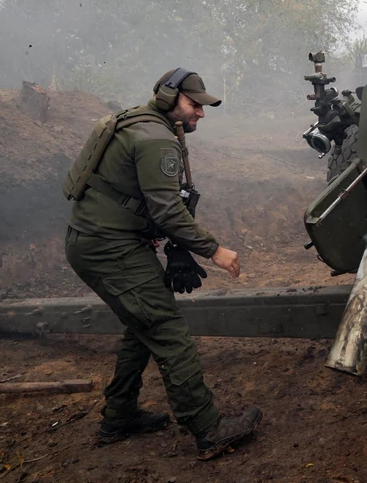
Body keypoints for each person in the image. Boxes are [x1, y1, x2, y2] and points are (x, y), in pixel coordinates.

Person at [63, 68, 261, 460]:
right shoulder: (157, 140)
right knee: (168, 330)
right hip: (110, 248)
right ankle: (208, 429)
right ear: (170, 98)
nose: (200, 114)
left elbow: (132, 194)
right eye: (194, 105)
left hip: (100, 240)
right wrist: (214, 250)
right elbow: (169, 211)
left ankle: (118, 417)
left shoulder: (135, 121)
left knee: (142, 327)